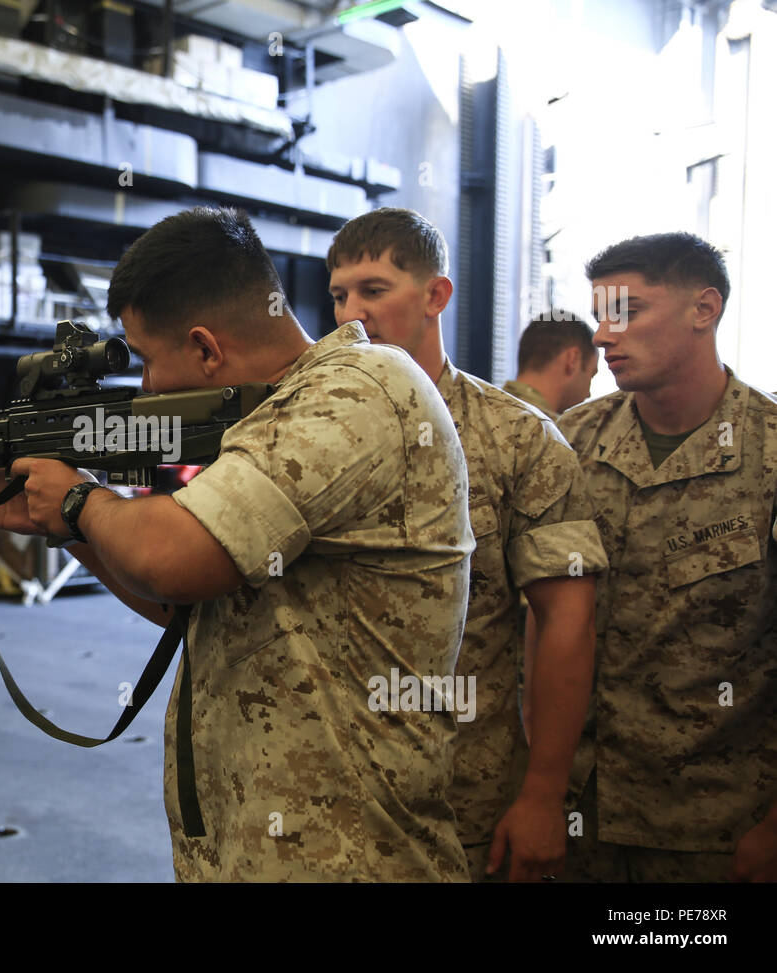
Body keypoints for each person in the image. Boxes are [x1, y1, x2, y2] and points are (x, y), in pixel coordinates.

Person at [0, 206, 474, 881]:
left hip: (350, 853)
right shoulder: (275, 414)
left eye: (148, 359)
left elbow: (170, 555)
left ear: (206, 347)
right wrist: (66, 526)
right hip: (262, 847)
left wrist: (78, 497)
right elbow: (188, 605)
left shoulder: (357, 390)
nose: (145, 385)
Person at [327, 208, 607, 882]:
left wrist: (543, 795)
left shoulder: (518, 438)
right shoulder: (311, 431)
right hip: (323, 799)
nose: (350, 314)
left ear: (435, 296)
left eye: (373, 290)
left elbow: (568, 618)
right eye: (338, 294)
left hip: (460, 803)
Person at [557, 233, 777, 882]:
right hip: (580, 817)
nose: (600, 335)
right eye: (598, 314)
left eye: (625, 312)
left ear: (703, 309)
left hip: (715, 827)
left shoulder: (767, 455)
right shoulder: (568, 445)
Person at [503, 311, 599, 419]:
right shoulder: (547, 431)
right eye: (591, 375)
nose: (588, 394)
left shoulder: (485, 409)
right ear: (572, 360)